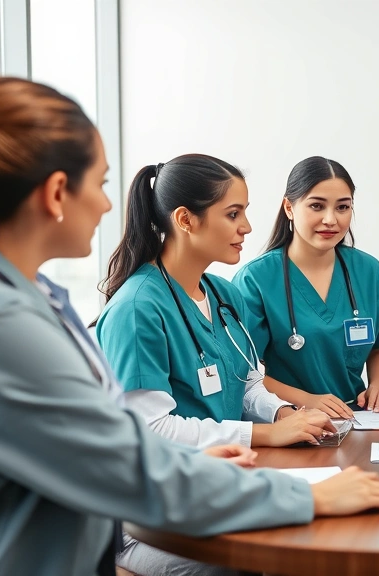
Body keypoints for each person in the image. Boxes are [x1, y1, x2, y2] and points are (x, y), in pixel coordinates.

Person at [0, 75, 379, 576]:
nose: (110, 204)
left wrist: (204, 456)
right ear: (57, 192)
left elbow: (108, 442)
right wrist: (308, 495)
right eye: (102, 184)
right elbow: (122, 465)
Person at [97, 154, 336, 450]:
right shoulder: (136, 309)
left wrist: (284, 415)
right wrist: (263, 435)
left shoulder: (225, 295)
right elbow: (150, 428)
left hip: (232, 469)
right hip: (177, 483)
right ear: (185, 220)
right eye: (233, 214)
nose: (246, 227)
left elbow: (245, 383)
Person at [233, 157, 379, 418]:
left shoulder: (369, 271)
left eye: (343, 207)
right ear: (289, 208)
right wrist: (308, 400)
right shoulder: (255, 280)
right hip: (289, 420)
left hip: (357, 419)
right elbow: (244, 372)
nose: (331, 219)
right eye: (317, 206)